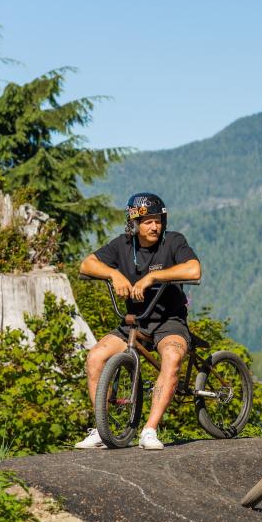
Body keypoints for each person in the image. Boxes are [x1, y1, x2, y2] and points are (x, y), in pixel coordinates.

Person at [75, 192, 201, 450]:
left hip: (170, 321)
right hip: (134, 322)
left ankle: (150, 430)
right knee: (96, 357)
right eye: (148, 222)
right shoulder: (122, 245)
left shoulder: (174, 241)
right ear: (134, 223)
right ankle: (103, 427)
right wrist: (114, 275)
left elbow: (193, 269)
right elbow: (86, 265)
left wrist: (154, 278)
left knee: (173, 357)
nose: (155, 226)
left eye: (158, 220)